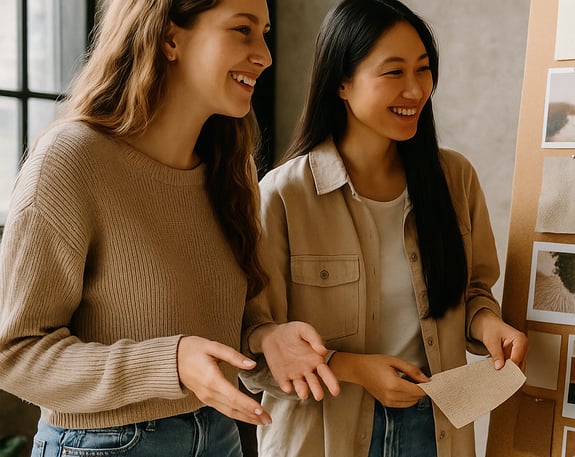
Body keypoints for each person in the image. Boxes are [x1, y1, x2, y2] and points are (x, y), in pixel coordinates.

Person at [0, 0, 336, 455]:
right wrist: (170, 362)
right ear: (170, 37)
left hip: (220, 437)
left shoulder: (229, 173)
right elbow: (16, 352)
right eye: (242, 30)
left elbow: (232, 325)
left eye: (265, 32)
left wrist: (265, 336)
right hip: (103, 444)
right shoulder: (71, 161)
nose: (265, 54)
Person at [239, 0, 529, 456]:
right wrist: (351, 368)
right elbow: (253, 352)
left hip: (436, 431)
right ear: (341, 83)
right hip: (322, 438)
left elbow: (473, 290)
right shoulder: (283, 197)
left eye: (423, 69)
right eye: (393, 73)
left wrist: (488, 323)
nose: (415, 90)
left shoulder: (454, 180)